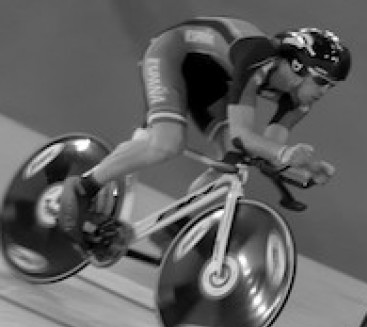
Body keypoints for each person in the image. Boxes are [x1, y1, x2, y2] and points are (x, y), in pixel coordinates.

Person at [57, 17, 349, 264]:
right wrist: (284, 154)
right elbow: (245, 135)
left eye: (331, 87)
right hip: (172, 55)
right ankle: (82, 189)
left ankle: (176, 227)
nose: (323, 92)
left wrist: (304, 168)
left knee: (235, 163)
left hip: (211, 77)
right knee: (166, 144)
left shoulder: (300, 101)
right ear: (297, 67)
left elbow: (266, 150)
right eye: (321, 81)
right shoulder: (258, 57)